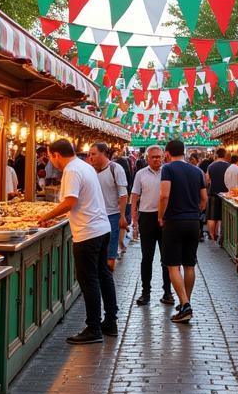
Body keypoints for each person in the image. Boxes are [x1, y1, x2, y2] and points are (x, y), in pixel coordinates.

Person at [37, 138, 115, 345]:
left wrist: (46, 216)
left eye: (50, 157)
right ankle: (110, 321)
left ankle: (94, 327)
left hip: (88, 232)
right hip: (101, 227)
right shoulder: (85, 166)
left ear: (55, 155)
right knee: (103, 275)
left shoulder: (71, 170)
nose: (51, 161)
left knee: (89, 280)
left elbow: (70, 201)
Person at [158, 139, 208, 324]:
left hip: (174, 221)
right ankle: (185, 302)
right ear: (184, 151)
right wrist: (196, 212)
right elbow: (204, 199)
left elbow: (164, 195)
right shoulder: (197, 171)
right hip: (193, 221)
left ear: (168, 153)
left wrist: (161, 216)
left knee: (172, 265)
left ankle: (185, 304)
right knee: (189, 264)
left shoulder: (168, 169)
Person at [130, 145, 173, 306]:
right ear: (147, 158)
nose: (156, 159)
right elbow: (134, 195)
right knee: (146, 258)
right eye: (153, 157)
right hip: (147, 218)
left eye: (159, 156)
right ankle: (145, 292)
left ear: (163, 157)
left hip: (165, 218)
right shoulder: (140, 174)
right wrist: (134, 218)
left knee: (166, 258)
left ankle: (167, 292)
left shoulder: (168, 172)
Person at [89, 143, 128, 271]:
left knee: (110, 256)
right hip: (94, 216)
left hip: (112, 216)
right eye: (90, 154)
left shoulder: (115, 169)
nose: (91, 157)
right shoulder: (90, 170)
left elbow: (123, 195)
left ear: (104, 153)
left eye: (93, 154)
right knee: (97, 254)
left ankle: (107, 282)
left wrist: (122, 216)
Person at [205, 147, 231, 242]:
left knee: (212, 216)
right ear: (224, 155)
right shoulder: (229, 166)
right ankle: (220, 235)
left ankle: (212, 235)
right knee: (222, 216)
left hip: (213, 193)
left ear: (216, 155)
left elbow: (207, 180)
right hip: (226, 195)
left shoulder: (211, 166)